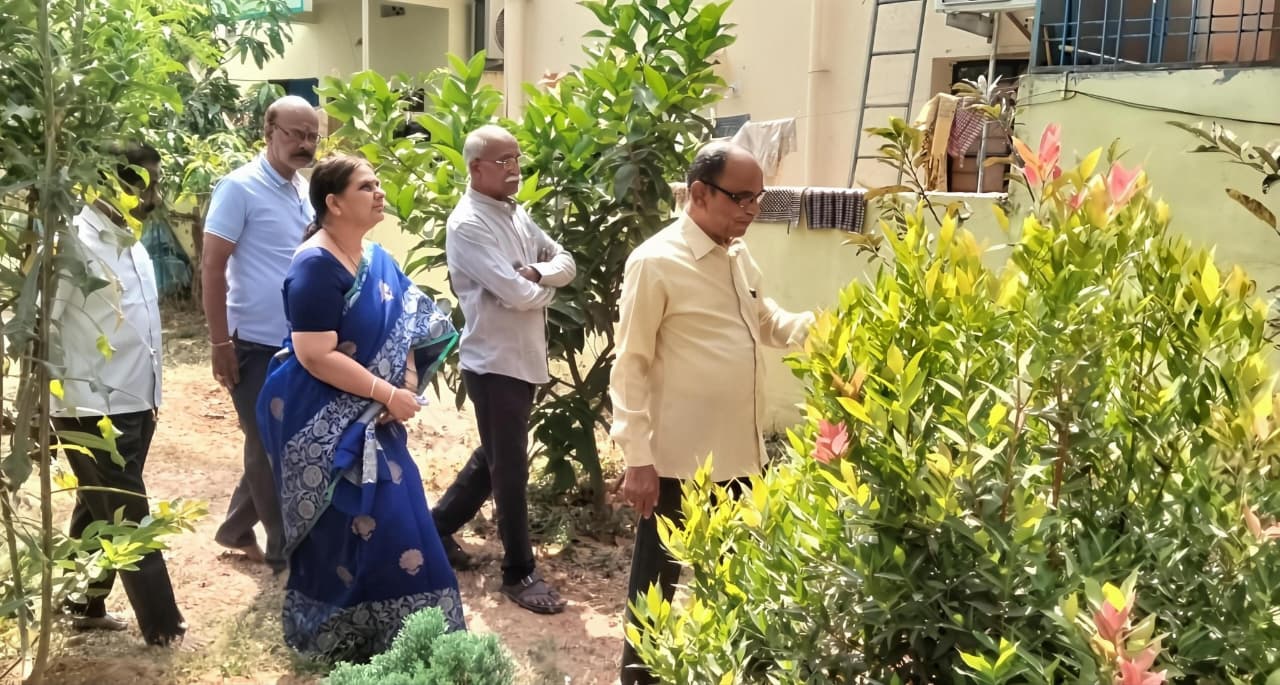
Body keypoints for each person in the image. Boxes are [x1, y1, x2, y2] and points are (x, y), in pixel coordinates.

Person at [610, 142, 816, 684]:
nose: (751, 209)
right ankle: (638, 678)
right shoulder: (656, 261)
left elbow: (763, 319)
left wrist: (818, 328)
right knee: (657, 583)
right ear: (699, 194)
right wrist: (637, 458)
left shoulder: (736, 252)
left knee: (738, 578)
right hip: (678, 462)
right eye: (740, 197)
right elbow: (629, 363)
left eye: (759, 199)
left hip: (742, 455)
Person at [256, 154, 464, 660]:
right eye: (366, 186)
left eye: (378, 183)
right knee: (346, 529)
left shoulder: (377, 259)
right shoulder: (313, 267)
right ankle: (339, 638)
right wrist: (387, 393)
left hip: (379, 417)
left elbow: (414, 318)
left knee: (401, 514)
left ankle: (409, 636)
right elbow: (314, 353)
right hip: (322, 423)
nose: (379, 192)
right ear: (333, 202)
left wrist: (407, 382)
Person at [431, 124, 576, 615]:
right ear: (475, 168)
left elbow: (565, 262)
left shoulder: (514, 213)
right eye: (503, 161)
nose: (515, 169)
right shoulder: (468, 223)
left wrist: (536, 275)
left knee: (495, 454)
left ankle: (436, 528)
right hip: (494, 361)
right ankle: (518, 572)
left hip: (522, 356)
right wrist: (539, 285)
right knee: (509, 466)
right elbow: (514, 294)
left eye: (517, 158)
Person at [51, 143, 187, 646]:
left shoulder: (130, 241)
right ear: (106, 181)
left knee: (98, 503)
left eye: (153, 181)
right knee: (128, 509)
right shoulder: (74, 242)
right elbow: (41, 324)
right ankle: (164, 626)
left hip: (137, 399)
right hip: (91, 407)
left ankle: (81, 599)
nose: (150, 195)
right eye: (138, 182)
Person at [203, 95, 319, 572]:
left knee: (279, 441)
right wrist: (219, 343)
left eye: (312, 136)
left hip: (299, 342)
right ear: (269, 130)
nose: (305, 144)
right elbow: (212, 267)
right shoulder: (239, 188)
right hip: (252, 342)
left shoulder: (302, 188)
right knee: (269, 445)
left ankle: (234, 528)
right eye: (295, 134)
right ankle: (283, 551)